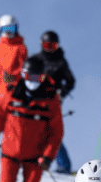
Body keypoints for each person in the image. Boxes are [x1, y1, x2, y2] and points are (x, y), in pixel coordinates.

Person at [31, 31, 76, 174]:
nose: (50, 48)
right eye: (47, 45)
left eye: (53, 45)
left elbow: (70, 80)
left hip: (52, 100)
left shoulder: (61, 61)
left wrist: (62, 92)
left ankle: (64, 165)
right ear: (41, 44)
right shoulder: (36, 59)